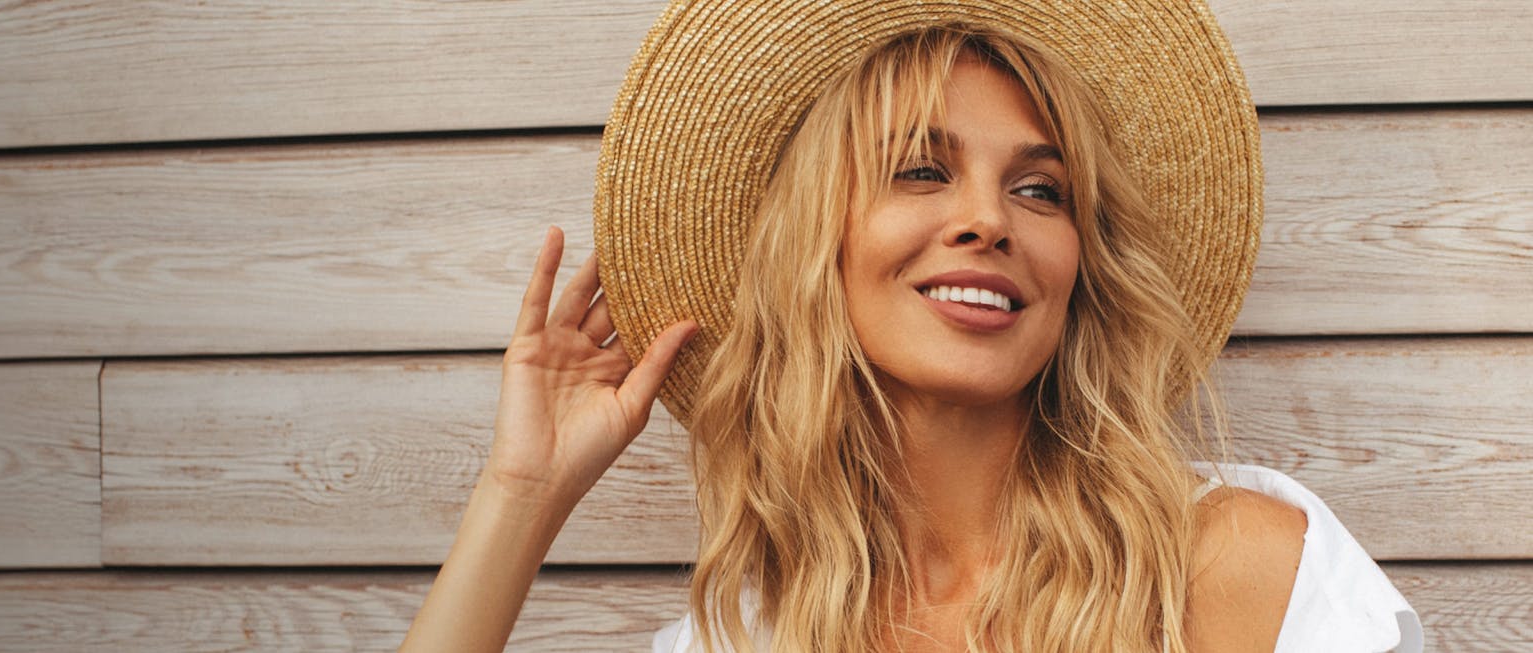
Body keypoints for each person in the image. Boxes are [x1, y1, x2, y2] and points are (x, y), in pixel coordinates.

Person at [400, 3, 1419, 652]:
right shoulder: (741, 640)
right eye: (920, 169)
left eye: (1040, 188)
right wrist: (522, 494)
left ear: (1078, 269)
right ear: (817, 249)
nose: (987, 218)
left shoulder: (1237, 562)